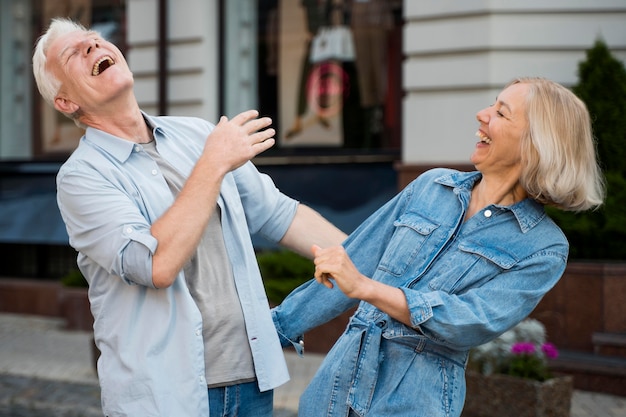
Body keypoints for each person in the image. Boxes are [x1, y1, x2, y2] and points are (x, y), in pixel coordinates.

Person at [32, 18, 347, 417]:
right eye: (73, 53)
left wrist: (363, 262)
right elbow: (155, 264)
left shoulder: (198, 135)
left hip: (251, 383)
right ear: (65, 102)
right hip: (166, 397)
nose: (93, 48)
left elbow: (281, 215)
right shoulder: (82, 177)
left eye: (94, 40)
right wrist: (213, 163)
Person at [272, 77, 605, 417]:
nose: (482, 115)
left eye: (501, 114)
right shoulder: (431, 186)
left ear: (537, 144)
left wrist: (367, 289)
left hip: (415, 402)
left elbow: (468, 322)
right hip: (334, 390)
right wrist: (271, 332)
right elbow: (352, 262)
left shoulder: (543, 248)